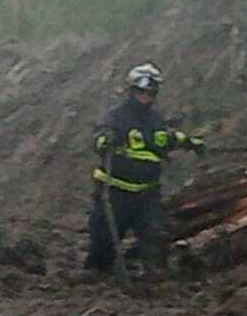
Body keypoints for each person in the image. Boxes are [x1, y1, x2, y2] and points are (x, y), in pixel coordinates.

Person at [85, 63, 205, 278]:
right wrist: (105, 139)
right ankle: (97, 275)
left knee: (155, 236)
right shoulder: (116, 117)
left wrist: (190, 142)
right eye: (141, 92)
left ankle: (156, 278)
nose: (145, 97)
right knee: (104, 241)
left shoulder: (155, 119)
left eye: (150, 93)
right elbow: (98, 136)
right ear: (132, 91)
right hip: (116, 192)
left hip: (147, 195)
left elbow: (167, 138)